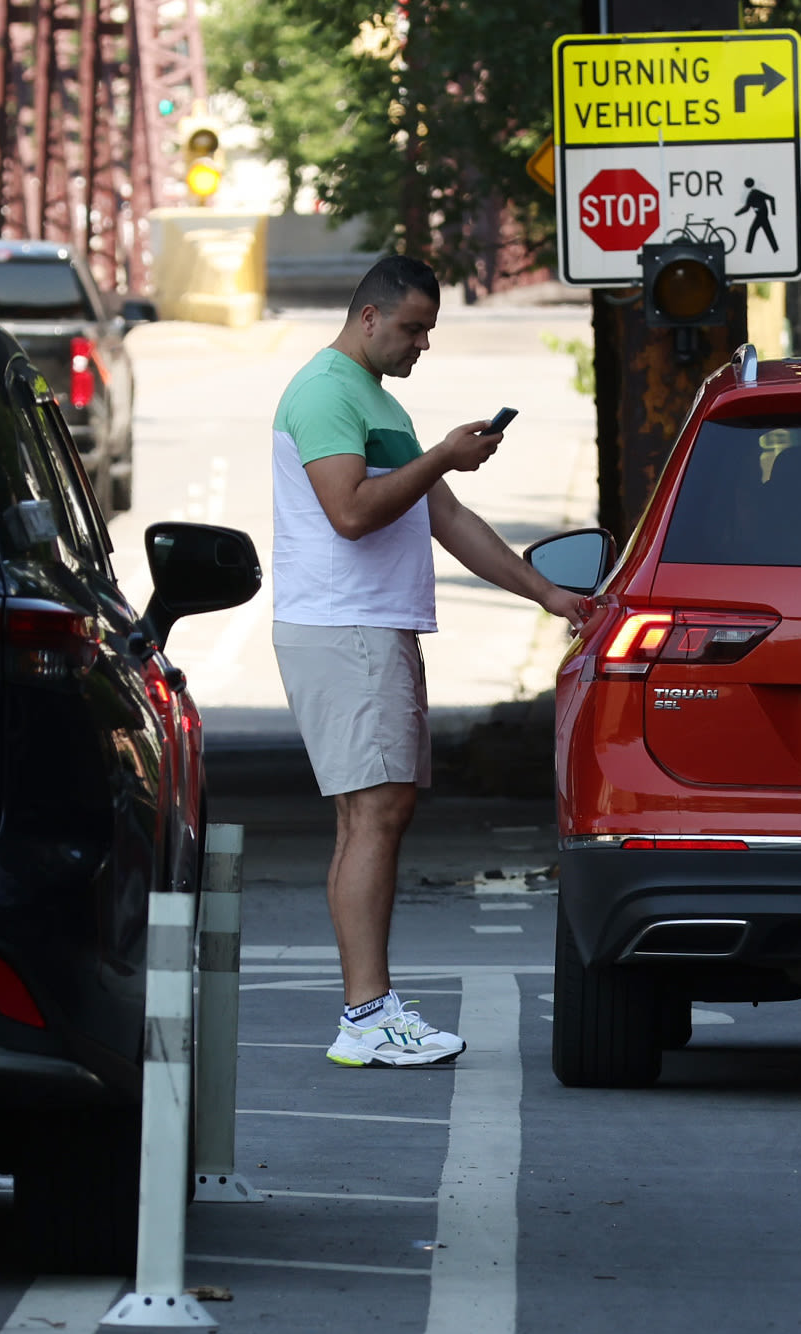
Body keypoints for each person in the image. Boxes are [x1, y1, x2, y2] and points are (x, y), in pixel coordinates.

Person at [270, 252, 593, 1067]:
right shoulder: (325, 392)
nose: (423, 345)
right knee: (373, 815)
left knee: (372, 815)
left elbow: (447, 519)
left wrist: (545, 593)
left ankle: (368, 1011)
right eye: (413, 328)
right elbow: (349, 513)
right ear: (369, 316)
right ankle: (367, 1014)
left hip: (367, 629)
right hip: (346, 629)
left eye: (430, 331)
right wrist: (440, 457)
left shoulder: (376, 403)